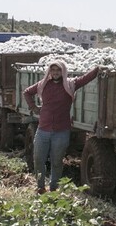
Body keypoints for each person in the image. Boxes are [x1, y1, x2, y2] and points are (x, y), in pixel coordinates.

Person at [23, 59, 100, 193]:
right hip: (43, 129)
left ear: (63, 71)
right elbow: (27, 92)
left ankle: (54, 188)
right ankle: (40, 186)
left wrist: (98, 68)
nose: (55, 72)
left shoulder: (70, 84)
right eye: (53, 70)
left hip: (61, 130)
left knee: (57, 161)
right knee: (38, 159)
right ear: (49, 71)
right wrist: (33, 107)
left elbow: (86, 78)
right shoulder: (43, 84)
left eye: (58, 70)